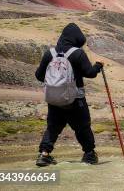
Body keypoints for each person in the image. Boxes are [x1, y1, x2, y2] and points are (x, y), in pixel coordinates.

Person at [34, 23, 102, 166]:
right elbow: (90, 73)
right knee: (82, 127)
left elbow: (39, 76)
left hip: (54, 100)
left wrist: (55, 81)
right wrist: (98, 67)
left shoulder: (50, 53)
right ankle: (89, 155)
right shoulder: (77, 53)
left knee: (53, 128)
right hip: (75, 99)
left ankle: (44, 155)